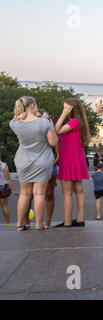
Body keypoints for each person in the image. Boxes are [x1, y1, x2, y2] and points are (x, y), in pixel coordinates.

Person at [9, 96, 59, 231]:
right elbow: (53, 142)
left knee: (24, 194)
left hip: (23, 161)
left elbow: (13, 120)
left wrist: (18, 116)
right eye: (36, 106)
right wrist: (49, 123)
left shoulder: (15, 124)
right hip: (42, 161)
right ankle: (39, 224)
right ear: (32, 106)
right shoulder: (44, 123)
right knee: (39, 194)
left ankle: (20, 224)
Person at [54, 98, 90, 228]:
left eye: (65, 108)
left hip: (69, 158)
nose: (63, 110)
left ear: (71, 109)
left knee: (67, 192)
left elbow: (56, 130)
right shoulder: (79, 122)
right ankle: (80, 219)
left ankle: (68, 221)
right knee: (79, 190)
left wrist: (62, 115)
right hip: (76, 158)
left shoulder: (73, 122)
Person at [35, 109, 60, 229]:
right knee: (30, 195)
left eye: (41, 116)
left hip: (50, 167)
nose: (38, 119)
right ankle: (28, 222)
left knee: (49, 195)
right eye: (36, 116)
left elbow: (58, 154)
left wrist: (50, 165)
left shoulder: (51, 131)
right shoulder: (31, 131)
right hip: (34, 167)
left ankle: (47, 222)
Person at [0, 158, 19, 226]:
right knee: (5, 206)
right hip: (3, 187)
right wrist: (14, 190)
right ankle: (8, 223)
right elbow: (8, 179)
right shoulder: (3, 165)